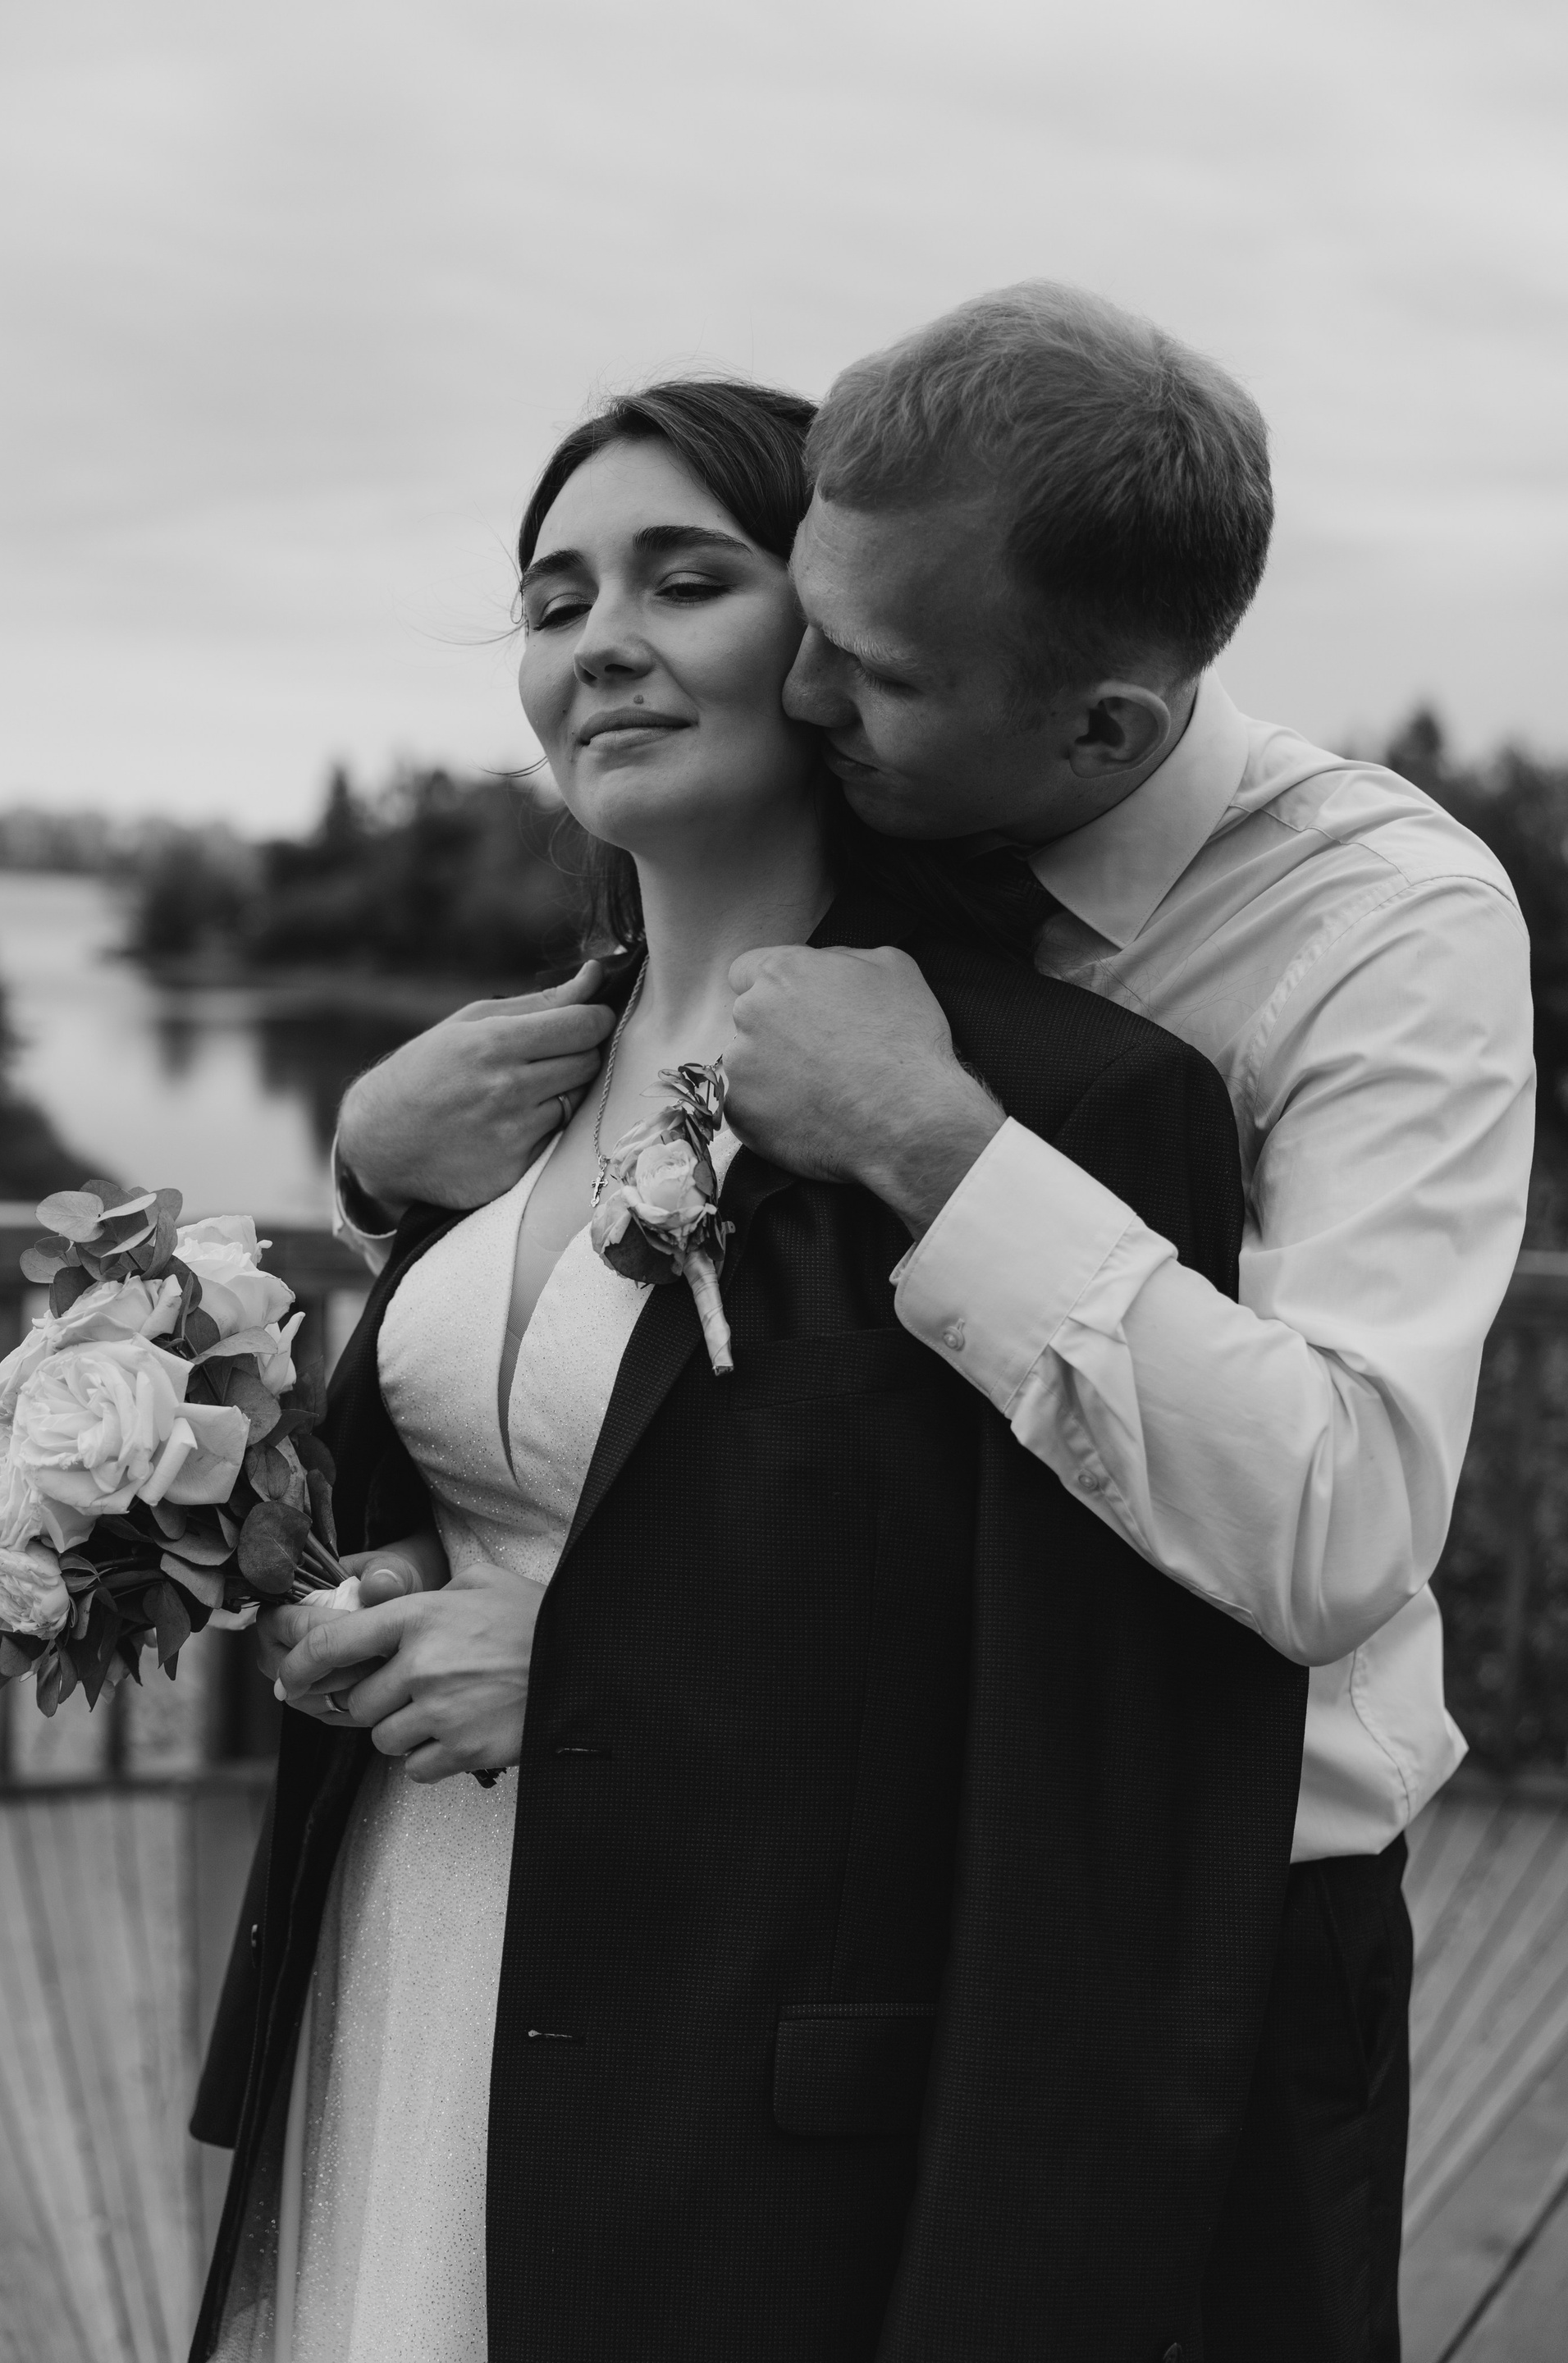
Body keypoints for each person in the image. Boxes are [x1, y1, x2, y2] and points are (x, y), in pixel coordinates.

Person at [327, 286, 1535, 2363]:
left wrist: (938, 1147)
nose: (803, 691)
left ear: (1104, 733)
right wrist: (381, 1179)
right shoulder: (769, 934)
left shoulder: (1370, 930)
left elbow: (1338, 1527)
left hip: (1210, 1909)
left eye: (860, 667)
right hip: (719, 1920)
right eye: (799, 613)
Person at [190, 377, 1304, 2363]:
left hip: (734, 2094)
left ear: (836, 638)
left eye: (684, 579)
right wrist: (374, 1576)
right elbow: (525, 1490)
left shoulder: (1051, 1104)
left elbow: (1090, 1748)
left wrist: (584, 1669)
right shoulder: (491, 1094)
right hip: (411, 1949)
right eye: (553, 602)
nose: (599, 640)